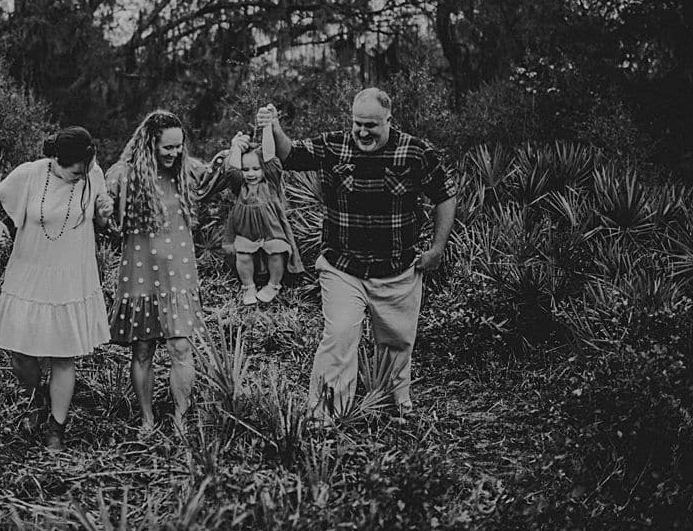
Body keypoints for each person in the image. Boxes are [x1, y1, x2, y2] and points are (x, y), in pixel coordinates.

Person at [257, 88, 457, 417]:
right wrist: (275, 127)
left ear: (388, 121)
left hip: (397, 271)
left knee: (396, 343)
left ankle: (393, 406)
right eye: (357, 124)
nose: (362, 132)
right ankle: (326, 416)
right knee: (338, 336)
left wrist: (437, 248)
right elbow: (291, 155)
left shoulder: (415, 152)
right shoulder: (335, 144)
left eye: (371, 126)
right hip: (343, 267)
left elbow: (445, 194)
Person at [0, 127, 114, 451]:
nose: (79, 177)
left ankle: (57, 425)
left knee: (62, 356)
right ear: (56, 159)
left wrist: (103, 212)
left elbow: (101, 217)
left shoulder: (92, 173)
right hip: (29, 272)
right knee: (20, 353)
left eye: (84, 171)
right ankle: (34, 398)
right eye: (74, 171)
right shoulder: (30, 174)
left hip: (70, 276)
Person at [104, 110, 213, 434]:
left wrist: (235, 151)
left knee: (180, 346)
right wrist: (104, 209)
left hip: (178, 273)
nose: (175, 153)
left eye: (179, 146)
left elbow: (221, 176)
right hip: (140, 273)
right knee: (143, 349)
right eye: (168, 147)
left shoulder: (187, 171)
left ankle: (180, 417)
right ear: (150, 143)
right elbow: (106, 210)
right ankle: (147, 418)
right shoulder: (124, 174)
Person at [223, 121, 303, 306]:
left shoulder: (270, 182)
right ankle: (248, 286)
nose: (250, 174)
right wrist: (235, 147)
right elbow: (233, 170)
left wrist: (267, 126)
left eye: (255, 169)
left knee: (276, 252)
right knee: (243, 255)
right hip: (245, 231)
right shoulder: (240, 187)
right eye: (246, 169)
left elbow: (268, 155)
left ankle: (274, 285)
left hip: (271, 230)